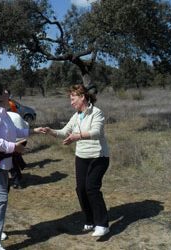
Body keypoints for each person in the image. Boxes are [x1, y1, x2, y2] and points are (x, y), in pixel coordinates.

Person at [0, 82, 42, 250]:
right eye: (4, 90)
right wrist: (14, 147)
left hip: (1, 162)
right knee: (1, 198)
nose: (7, 91)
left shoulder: (2, 112)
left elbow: (14, 132)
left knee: (0, 198)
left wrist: (34, 131)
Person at [40, 84, 110, 238]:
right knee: (81, 189)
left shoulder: (96, 113)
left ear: (82, 97)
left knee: (91, 188)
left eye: (73, 99)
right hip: (82, 157)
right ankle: (90, 220)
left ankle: (103, 224)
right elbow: (64, 132)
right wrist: (50, 131)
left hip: (99, 157)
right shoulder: (76, 116)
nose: (71, 102)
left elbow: (96, 132)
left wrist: (77, 137)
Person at [7, 111, 29, 189]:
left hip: (14, 142)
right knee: (15, 157)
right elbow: (26, 125)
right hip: (23, 140)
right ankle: (22, 165)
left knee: (12, 162)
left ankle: (17, 181)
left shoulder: (4, 116)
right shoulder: (17, 115)